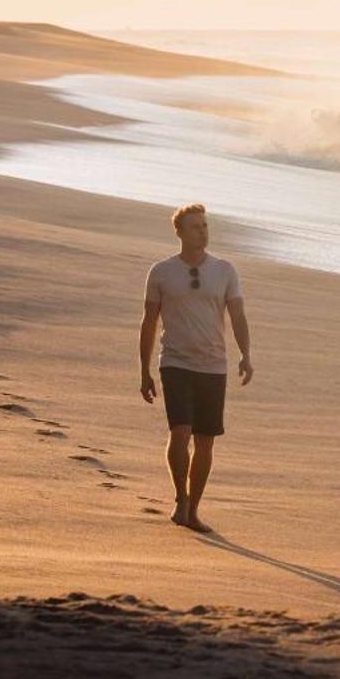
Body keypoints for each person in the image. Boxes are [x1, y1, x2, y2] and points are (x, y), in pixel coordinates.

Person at [138, 203, 253, 533]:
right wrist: (144, 370)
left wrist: (246, 354)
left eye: (204, 226)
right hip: (175, 361)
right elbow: (149, 322)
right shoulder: (161, 272)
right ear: (179, 232)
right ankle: (181, 499)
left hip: (214, 365)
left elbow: (238, 316)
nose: (202, 231)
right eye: (195, 227)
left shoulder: (225, 270)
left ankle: (194, 509)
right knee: (180, 431)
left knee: (205, 441)